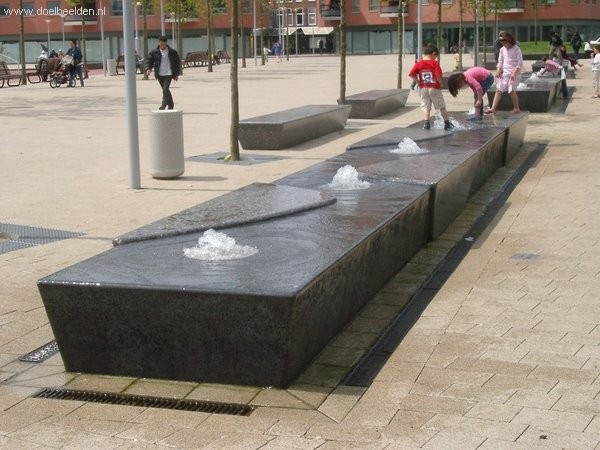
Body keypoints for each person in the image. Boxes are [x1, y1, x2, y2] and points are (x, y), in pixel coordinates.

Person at [408, 44, 453, 131]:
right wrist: (441, 84)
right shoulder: (434, 63)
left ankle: (426, 124)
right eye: (436, 56)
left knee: (426, 107)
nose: (436, 58)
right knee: (441, 106)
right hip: (434, 87)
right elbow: (438, 76)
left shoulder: (419, 63)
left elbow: (411, 74)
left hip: (423, 88)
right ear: (433, 53)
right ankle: (447, 123)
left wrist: (418, 82)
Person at [486, 31, 522, 115]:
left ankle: (516, 108)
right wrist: (498, 71)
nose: (504, 45)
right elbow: (500, 62)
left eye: (505, 43)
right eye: (502, 43)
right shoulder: (502, 50)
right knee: (499, 89)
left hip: (514, 72)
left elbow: (519, 63)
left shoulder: (516, 49)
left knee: (511, 90)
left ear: (510, 40)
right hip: (505, 72)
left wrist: (514, 73)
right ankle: (493, 108)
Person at [144, 36, 182, 110]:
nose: (162, 46)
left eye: (164, 44)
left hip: (169, 73)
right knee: (165, 91)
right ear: (159, 43)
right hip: (159, 74)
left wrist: (176, 74)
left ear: (166, 43)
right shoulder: (154, 52)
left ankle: (170, 105)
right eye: (161, 44)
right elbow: (149, 60)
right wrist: (148, 68)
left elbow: (177, 63)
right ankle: (164, 105)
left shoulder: (172, 52)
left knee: (165, 89)